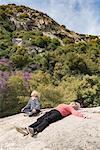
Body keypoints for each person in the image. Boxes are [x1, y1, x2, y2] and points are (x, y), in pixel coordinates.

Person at [16, 102, 87, 137]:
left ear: (75, 106)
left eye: (75, 105)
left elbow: (74, 112)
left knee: (47, 120)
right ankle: (29, 128)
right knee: (40, 119)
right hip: (53, 111)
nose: (73, 104)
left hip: (58, 113)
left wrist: (82, 116)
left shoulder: (70, 108)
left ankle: (35, 130)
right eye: (73, 103)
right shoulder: (65, 104)